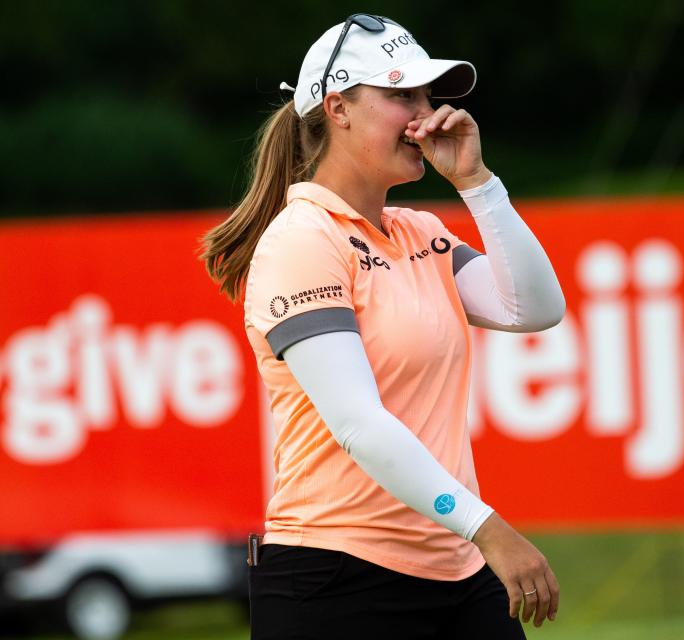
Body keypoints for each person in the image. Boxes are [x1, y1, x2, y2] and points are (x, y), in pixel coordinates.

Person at [201, 13, 565, 640]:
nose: (426, 116)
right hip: (334, 579)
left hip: (455, 571)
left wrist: (477, 183)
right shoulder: (301, 238)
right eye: (402, 95)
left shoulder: (420, 231)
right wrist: (489, 529)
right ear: (337, 108)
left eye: (428, 96)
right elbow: (358, 424)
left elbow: (532, 307)